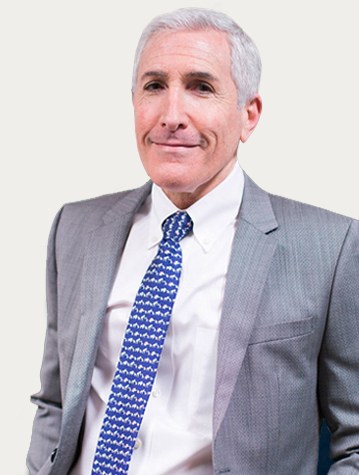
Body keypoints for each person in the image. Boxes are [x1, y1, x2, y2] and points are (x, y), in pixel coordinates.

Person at [27, 7, 359, 475]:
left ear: (249, 114)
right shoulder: (76, 228)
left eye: (201, 87)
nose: (171, 116)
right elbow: (56, 399)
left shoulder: (331, 249)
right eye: (154, 86)